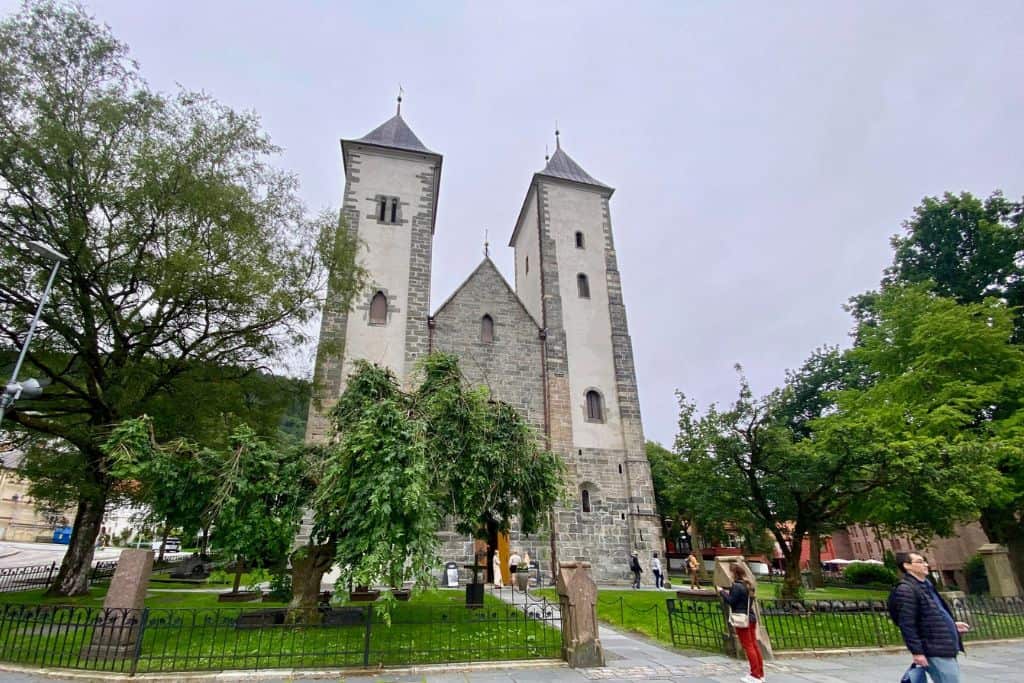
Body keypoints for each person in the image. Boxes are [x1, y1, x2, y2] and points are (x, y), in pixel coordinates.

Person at [889, 551, 969, 683]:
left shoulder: (926, 585)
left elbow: (933, 614)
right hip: (934, 648)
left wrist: (952, 625)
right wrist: (917, 652)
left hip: (943, 645)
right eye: (920, 562)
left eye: (925, 561)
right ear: (906, 566)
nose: (926, 564)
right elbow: (907, 624)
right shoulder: (906, 590)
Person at [719, 562, 764, 683]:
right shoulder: (748, 585)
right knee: (754, 645)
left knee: (748, 646)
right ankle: (760, 673)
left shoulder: (737, 586)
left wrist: (722, 592)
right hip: (751, 616)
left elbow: (731, 601)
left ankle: (755, 675)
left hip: (742, 618)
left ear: (734, 573)